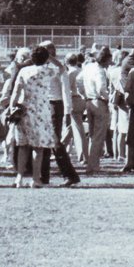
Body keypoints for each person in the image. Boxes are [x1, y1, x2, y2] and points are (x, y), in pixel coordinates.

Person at [9, 46, 58, 188]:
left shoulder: (24, 71)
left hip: (25, 108)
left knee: (23, 146)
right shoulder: (49, 71)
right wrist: (50, 57)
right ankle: (36, 179)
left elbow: (16, 91)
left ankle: (19, 178)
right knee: (38, 147)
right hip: (41, 110)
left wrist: (12, 108)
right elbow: (62, 68)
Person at [38, 42, 80, 187]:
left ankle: (69, 175)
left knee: (55, 142)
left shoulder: (59, 68)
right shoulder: (41, 67)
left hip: (55, 104)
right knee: (44, 141)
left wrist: (67, 110)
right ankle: (43, 175)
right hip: (44, 105)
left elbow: (65, 89)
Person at [81, 47, 112, 174]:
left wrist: (83, 93)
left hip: (89, 101)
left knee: (92, 135)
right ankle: (93, 165)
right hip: (99, 102)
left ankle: (90, 163)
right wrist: (108, 98)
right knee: (99, 136)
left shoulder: (88, 67)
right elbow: (101, 89)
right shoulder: (100, 71)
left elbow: (79, 81)